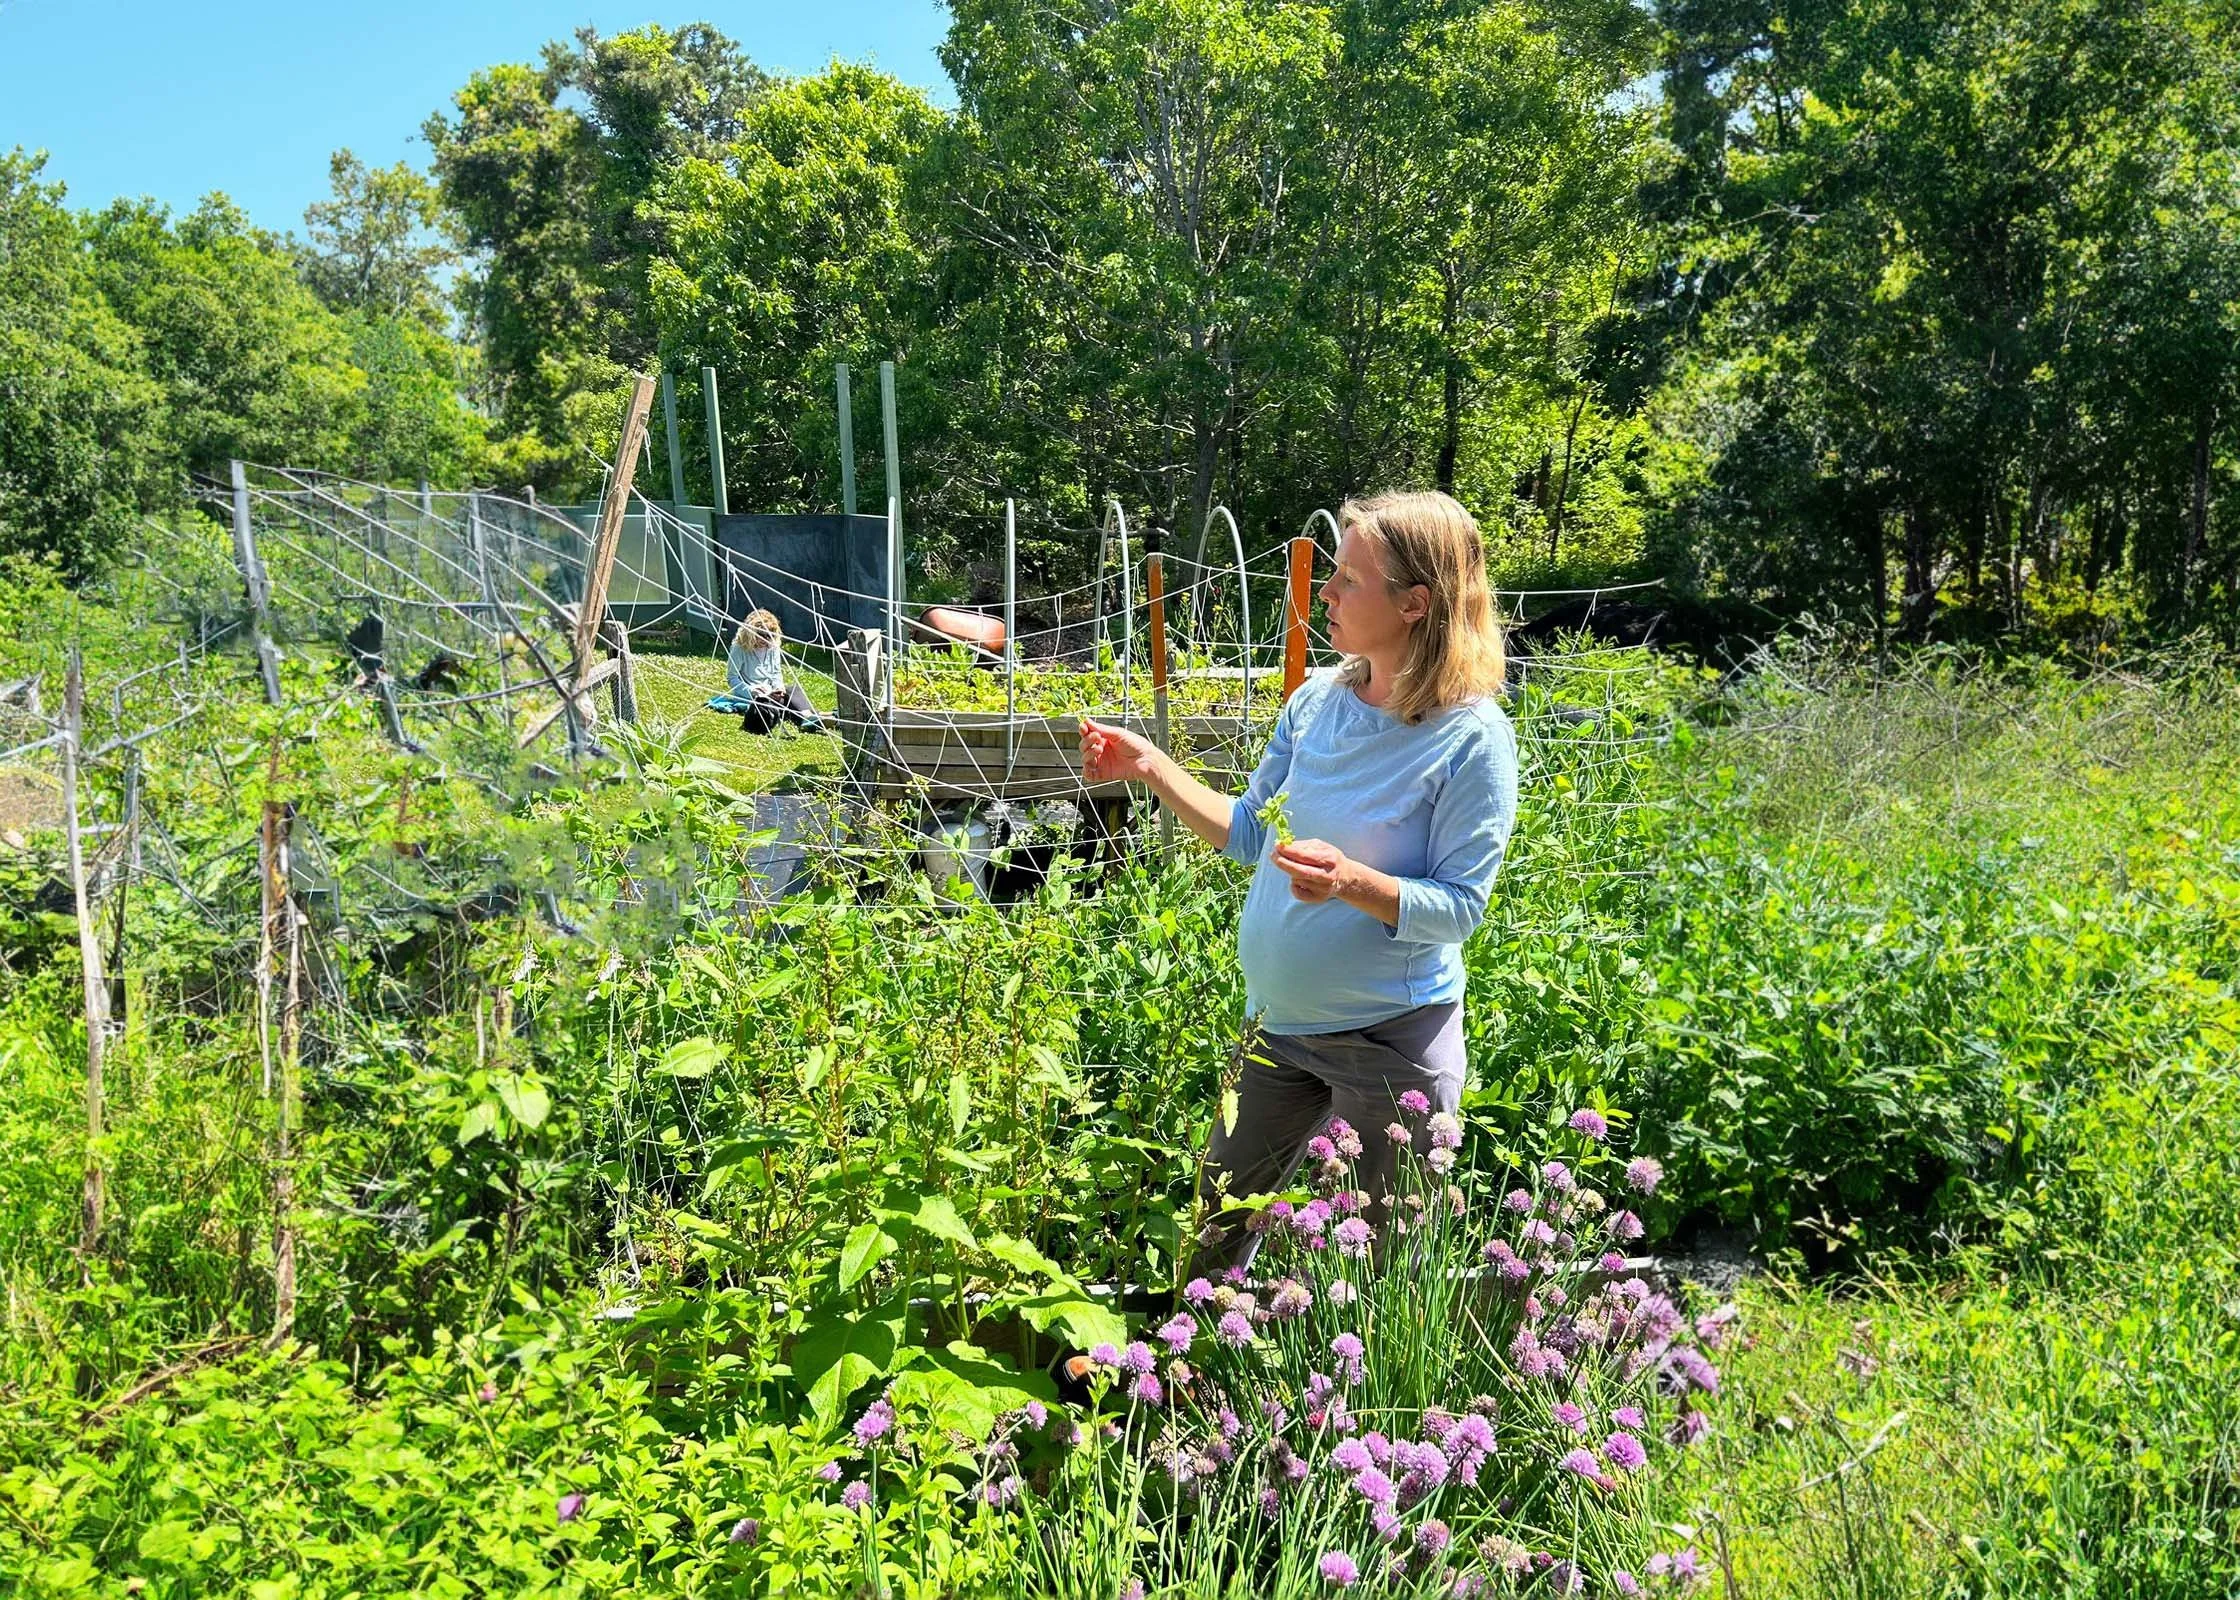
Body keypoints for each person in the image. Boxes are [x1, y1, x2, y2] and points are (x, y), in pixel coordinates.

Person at [1078, 490, 1518, 1268]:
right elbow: (1251, 832)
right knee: (1213, 1236)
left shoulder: (1472, 739)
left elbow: (1457, 911)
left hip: (1391, 1046)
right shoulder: (1318, 700)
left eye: (1350, 578)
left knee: (1378, 1272)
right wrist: (1150, 767)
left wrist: (1352, 881)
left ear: (1416, 603)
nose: (1325, 592)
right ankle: (1195, 1387)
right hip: (1276, 1029)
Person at [720, 610, 824, 734]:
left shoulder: (773, 647)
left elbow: (776, 673)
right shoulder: (739, 648)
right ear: (750, 632)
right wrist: (751, 691)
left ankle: (810, 717)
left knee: (792, 690)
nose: (766, 639)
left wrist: (778, 687)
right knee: (771, 702)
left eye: (770, 635)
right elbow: (732, 678)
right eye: (762, 634)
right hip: (753, 695)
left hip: (770, 690)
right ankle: (812, 718)